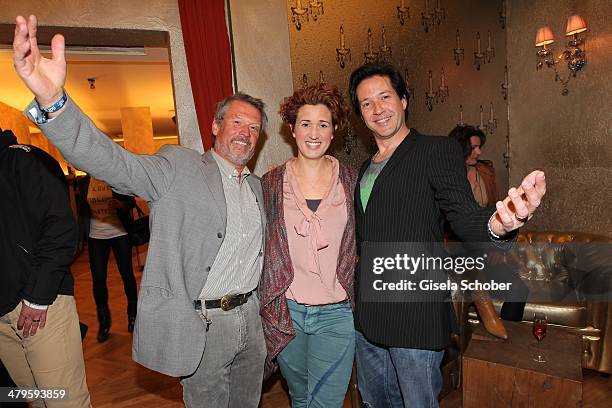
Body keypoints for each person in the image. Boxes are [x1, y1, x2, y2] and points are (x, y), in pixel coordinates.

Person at [13, 15, 267, 407]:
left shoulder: (256, 187)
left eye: (254, 129)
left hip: (251, 323)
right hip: (206, 327)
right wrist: (54, 102)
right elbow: (114, 162)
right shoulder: (177, 168)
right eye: (237, 122)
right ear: (216, 126)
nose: (245, 134)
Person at [348, 63, 546, 407]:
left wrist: (499, 225)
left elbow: (465, 216)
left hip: (413, 315)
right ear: (360, 113)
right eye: (366, 103)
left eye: (385, 97)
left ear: (404, 100)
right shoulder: (366, 168)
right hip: (369, 314)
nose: (377, 109)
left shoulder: (435, 150)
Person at [260, 84, 357, 407]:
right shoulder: (270, 184)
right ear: (292, 129)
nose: (313, 133)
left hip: (336, 313)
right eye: (305, 123)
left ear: (335, 130)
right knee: (300, 397)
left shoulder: (352, 181)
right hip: (286, 313)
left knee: (325, 403)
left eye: (323, 124)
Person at [0, 128, 91, 407]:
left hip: (39, 303)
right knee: (36, 399)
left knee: (65, 402)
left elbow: (61, 228)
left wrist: (37, 297)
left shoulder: (24, 160)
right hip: (3, 313)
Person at [448, 125, 528, 322]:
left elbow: (496, 212)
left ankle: (503, 347)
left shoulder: (485, 172)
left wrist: (497, 248)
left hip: (485, 251)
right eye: (474, 147)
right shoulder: (446, 176)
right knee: (474, 290)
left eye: (479, 146)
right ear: (460, 148)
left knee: (518, 289)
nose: (479, 151)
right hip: (457, 256)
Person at [81, 176, 138, 342]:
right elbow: (82, 210)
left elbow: (131, 202)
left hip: (119, 233)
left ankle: (133, 316)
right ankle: (104, 322)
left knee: (127, 275)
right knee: (98, 279)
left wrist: (120, 205)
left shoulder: (113, 176)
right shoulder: (85, 182)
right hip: (95, 236)